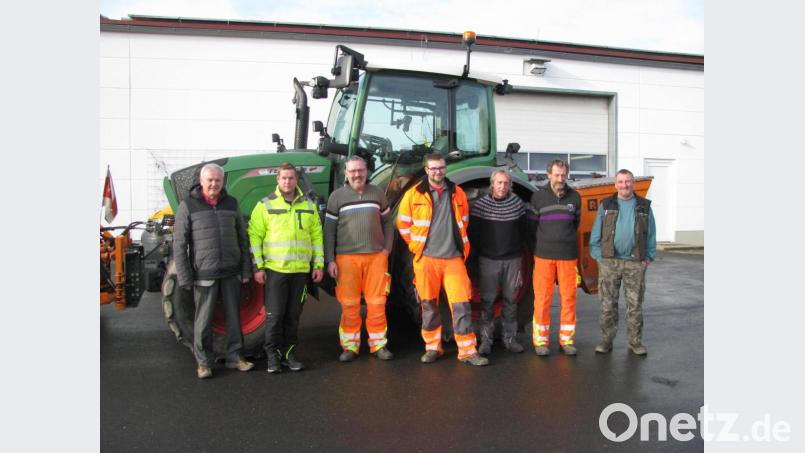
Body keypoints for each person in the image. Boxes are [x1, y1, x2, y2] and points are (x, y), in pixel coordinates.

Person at [397, 154, 488, 366]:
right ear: (426, 170)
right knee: (428, 305)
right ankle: (432, 348)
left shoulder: (457, 193)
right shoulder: (413, 195)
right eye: (433, 168)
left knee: (461, 305)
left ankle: (467, 351)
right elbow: (403, 224)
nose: (438, 171)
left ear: (445, 169)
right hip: (426, 259)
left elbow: (463, 220)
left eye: (441, 167)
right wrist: (416, 245)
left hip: (453, 259)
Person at [173, 163, 255, 379]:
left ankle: (235, 357)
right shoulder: (188, 206)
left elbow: (242, 238)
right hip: (204, 274)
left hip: (231, 271)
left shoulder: (231, 203)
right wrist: (185, 277)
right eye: (210, 180)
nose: (214, 184)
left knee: (233, 318)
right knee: (203, 321)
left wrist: (246, 269)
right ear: (201, 182)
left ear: (222, 182)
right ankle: (203, 362)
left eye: (217, 180)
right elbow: (179, 244)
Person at [248, 163, 324, 373]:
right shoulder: (264, 206)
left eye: (291, 178)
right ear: (277, 180)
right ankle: (272, 356)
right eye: (284, 178)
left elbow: (317, 237)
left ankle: (289, 353)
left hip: (300, 271)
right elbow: (255, 237)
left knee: (293, 316)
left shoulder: (308, 206)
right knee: (274, 316)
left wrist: (318, 264)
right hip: (276, 271)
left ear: (296, 180)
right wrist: (258, 267)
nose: (287, 182)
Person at [324, 156, 394, 362]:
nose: (357, 174)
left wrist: (386, 250)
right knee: (349, 304)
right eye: (353, 171)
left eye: (360, 170)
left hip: (376, 258)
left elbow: (388, 224)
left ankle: (379, 345)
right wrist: (331, 259)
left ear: (367, 171)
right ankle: (350, 346)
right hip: (346, 258)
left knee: (377, 303)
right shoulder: (336, 197)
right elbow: (329, 232)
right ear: (346, 173)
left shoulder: (378, 193)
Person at [589, 169, 656, 355]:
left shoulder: (644, 206)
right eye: (621, 181)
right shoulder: (606, 205)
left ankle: (635, 343)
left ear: (633, 183)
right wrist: (599, 257)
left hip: (635, 263)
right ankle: (606, 341)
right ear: (615, 184)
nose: (624, 185)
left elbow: (651, 234)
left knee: (634, 305)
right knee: (607, 304)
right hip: (609, 262)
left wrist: (648, 257)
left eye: (628, 181)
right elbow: (596, 234)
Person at [468, 169, 530, 356]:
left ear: (510, 185)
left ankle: (509, 339)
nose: (502, 187)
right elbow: (474, 235)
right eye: (499, 183)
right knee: (488, 302)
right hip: (489, 261)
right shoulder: (481, 206)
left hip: (512, 260)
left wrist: (518, 253)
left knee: (511, 301)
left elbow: (524, 232)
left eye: (505, 183)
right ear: (492, 184)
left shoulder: (517, 204)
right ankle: (486, 341)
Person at [529, 159, 581, 356]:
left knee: (569, 299)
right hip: (543, 257)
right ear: (548, 175)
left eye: (563, 175)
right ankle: (541, 342)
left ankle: (566, 340)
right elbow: (532, 227)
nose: (560, 179)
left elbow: (575, 224)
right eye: (556, 175)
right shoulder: (538, 197)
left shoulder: (575, 198)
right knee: (542, 299)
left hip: (568, 257)